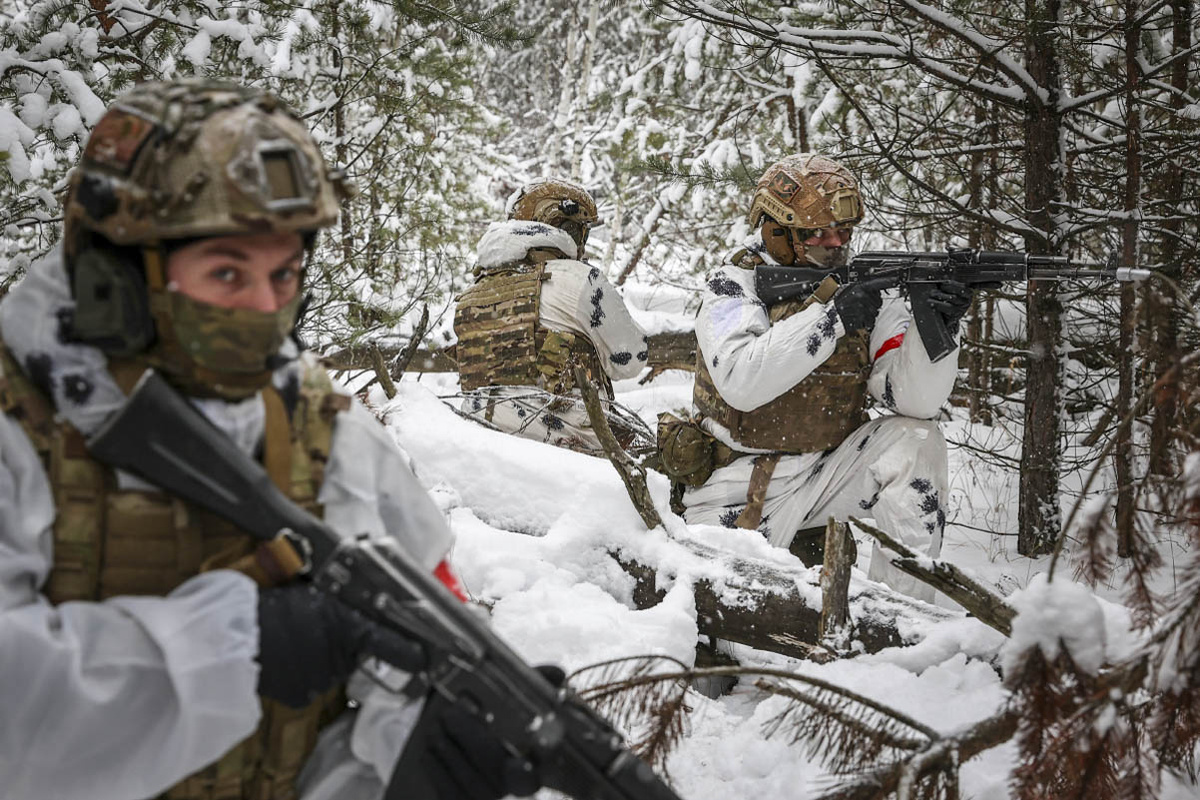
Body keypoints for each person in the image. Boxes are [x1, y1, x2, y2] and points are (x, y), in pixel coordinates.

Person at [0, 80, 534, 800]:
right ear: (118, 278)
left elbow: (415, 631)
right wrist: (240, 643)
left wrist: (425, 747)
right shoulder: (18, 423)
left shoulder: (321, 425)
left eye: (285, 273)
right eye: (227, 271)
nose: (265, 308)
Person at [667, 153, 973, 603]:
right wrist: (831, 319)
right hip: (732, 484)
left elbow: (914, 402)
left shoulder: (864, 291)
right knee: (718, 631)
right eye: (817, 232)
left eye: (843, 232)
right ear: (777, 230)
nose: (834, 243)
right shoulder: (734, 285)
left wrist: (938, 326)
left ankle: (899, 619)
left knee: (917, 440)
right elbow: (741, 380)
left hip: (824, 474)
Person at [454, 178, 652, 455]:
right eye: (581, 231)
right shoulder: (579, 279)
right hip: (568, 455)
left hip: (482, 449)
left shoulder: (471, 295)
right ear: (563, 225)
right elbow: (631, 359)